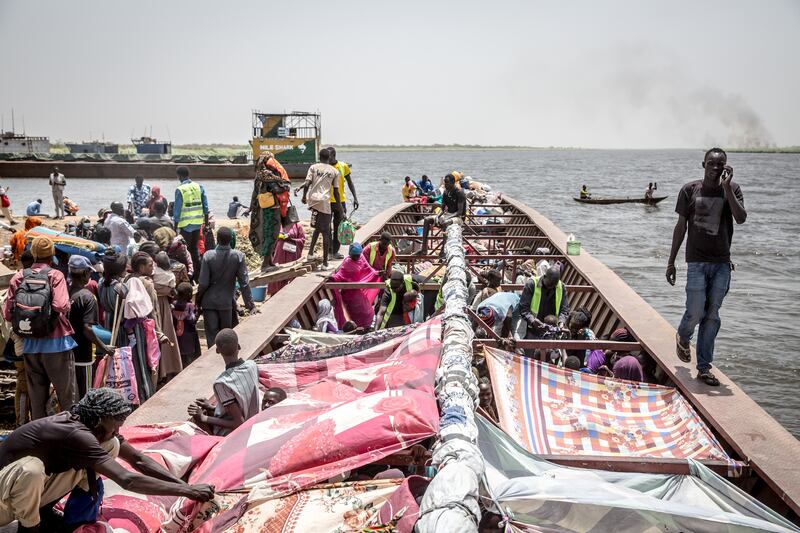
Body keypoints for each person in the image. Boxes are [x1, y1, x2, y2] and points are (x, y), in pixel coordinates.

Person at [0, 388, 215, 531]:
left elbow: (138, 460)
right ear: (100, 420)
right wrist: (188, 492)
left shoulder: (91, 428)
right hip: (4, 500)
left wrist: (185, 485)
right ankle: (30, 528)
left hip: (19, 493)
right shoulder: (76, 435)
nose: (118, 430)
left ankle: (72, 520)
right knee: (32, 470)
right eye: (116, 426)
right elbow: (127, 479)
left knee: (112, 445)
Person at [666, 147, 746, 387]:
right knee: (696, 311)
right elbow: (681, 228)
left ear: (726, 167)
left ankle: (703, 367)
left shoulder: (733, 190)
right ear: (703, 165)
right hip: (696, 263)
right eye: (711, 163)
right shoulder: (689, 190)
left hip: (721, 263)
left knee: (712, 316)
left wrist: (728, 188)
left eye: (720, 164)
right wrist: (671, 262)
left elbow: (740, 218)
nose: (715, 168)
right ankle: (683, 335)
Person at [3, 236, 77, 420]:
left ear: (34, 253)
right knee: (67, 396)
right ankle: (71, 435)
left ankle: (39, 441)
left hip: (30, 344)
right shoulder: (56, 275)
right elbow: (61, 305)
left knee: (37, 398)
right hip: (57, 343)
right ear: (51, 254)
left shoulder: (19, 276)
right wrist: (68, 305)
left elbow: (8, 314)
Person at [187, 329, 259, 436]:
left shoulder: (222, 383)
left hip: (239, 433)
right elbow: (243, 402)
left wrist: (204, 418)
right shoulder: (252, 365)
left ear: (217, 351)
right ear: (238, 346)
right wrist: (211, 408)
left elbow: (239, 423)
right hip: (256, 423)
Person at [196, 227, 255, 347]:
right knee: (226, 338)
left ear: (217, 239)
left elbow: (203, 283)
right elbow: (244, 283)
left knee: (212, 339)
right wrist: (250, 305)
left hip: (209, 303)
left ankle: (212, 364)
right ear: (231, 239)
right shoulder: (238, 256)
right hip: (226, 303)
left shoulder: (208, 256)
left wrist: (198, 300)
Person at [67, 255, 115, 400]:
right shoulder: (87, 297)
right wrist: (104, 347)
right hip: (83, 355)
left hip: (66, 353)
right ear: (85, 274)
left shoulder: (64, 292)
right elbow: (87, 329)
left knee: (72, 394)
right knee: (85, 395)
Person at [249, 152, 290, 272]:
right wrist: (286, 186)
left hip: (263, 210)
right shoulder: (268, 175)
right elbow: (277, 188)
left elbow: (254, 194)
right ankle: (265, 264)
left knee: (268, 234)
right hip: (272, 210)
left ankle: (270, 261)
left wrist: (251, 208)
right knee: (272, 235)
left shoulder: (259, 175)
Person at [301, 148, 340, 270]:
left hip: (313, 200)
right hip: (324, 202)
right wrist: (339, 208)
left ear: (319, 156)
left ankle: (311, 254)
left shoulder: (313, 167)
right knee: (326, 231)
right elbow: (336, 191)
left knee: (318, 228)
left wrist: (304, 197)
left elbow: (307, 184)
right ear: (329, 158)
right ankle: (325, 263)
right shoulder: (334, 171)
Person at [329, 242, 381, 329]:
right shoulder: (347, 262)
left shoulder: (361, 258)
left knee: (368, 312)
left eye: (357, 255)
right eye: (354, 255)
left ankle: (365, 327)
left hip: (358, 290)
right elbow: (340, 275)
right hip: (348, 293)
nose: (356, 257)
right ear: (350, 254)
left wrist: (377, 273)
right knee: (355, 313)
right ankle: (353, 328)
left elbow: (369, 269)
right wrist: (333, 278)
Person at [173, 166, 209, 282]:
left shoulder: (180, 189)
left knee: (184, 252)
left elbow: (177, 211)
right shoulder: (199, 187)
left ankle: (188, 276)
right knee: (194, 250)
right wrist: (206, 223)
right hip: (198, 224)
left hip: (186, 226)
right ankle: (198, 276)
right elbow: (205, 206)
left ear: (179, 176)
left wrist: (175, 228)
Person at [417, 173, 466, 256]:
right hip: (448, 215)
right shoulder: (446, 192)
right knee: (427, 219)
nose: (445, 184)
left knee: (445, 222)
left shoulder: (459, 193)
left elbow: (459, 212)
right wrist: (437, 216)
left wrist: (447, 218)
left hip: (458, 217)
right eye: (445, 182)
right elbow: (442, 209)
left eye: (447, 182)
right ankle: (424, 249)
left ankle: (443, 251)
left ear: (453, 182)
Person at [152, 252, 182, 383]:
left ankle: (159, 372)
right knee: (166, 333)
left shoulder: (151, 275)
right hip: (163, 305)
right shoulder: (170, 276)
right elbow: (172, 291)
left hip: (153, 305)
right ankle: (169, 367)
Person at [517, 266, 570, 339]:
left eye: (553, 286)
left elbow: (565, 309)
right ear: (544, 277)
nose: (550, 287)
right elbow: (523, 308)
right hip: (533, 329)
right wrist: (532, 320)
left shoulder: (561, 287)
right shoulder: (532, 284)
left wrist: (561, 322)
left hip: (552, 330)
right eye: (549, 284)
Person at [268, 205, 306, 296]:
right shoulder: (279, 225)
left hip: (292, 254)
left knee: (292, 272)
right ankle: (275, 293)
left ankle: (291, 293)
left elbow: (302, 240)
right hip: (280, 253)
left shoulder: (298, 226)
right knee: (278, 273)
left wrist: (291, 239)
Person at [327, 147, 358, 259]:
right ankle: (329, 251)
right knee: (326, 227)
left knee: (339, 227)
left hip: (340, 201)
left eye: (328, 156)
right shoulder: (325, 167)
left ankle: (335, 251)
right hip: (327, 201)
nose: (326, 158)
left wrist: (355, 198)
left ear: (333, 156)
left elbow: (350, 182)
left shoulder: (343, 166)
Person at [172, 281, 200, 367]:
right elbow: (192, 320)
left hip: (177, 337)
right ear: (189, 294)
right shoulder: (190, 306)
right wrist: (198, 313)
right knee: (189, 361)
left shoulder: (173, 304)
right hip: (189, 338)